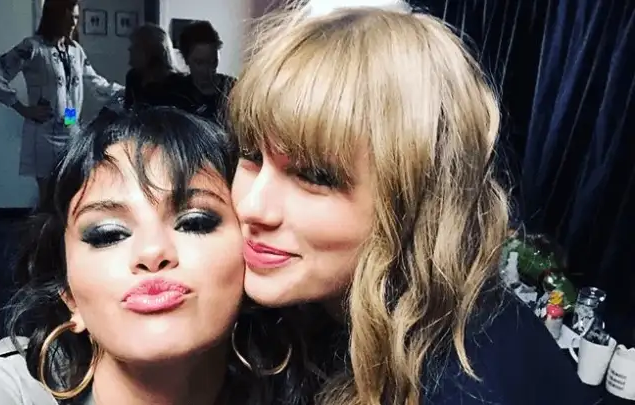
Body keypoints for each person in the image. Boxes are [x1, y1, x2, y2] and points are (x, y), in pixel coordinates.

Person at [228, 1, 598, 404]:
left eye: (315, 176)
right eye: (251, 155)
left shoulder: (462, 387)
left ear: (415, 200)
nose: (252, 207)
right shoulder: (316, 306)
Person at [0, 108, 297, 405]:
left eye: (194, 222)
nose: (152, 252)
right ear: (68, 294)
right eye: (108, 234)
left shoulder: (307, 384)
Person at [0, 0, 123, 202]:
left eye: (76, 17)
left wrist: (125, 91)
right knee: (48, 195)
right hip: (43, 133)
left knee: (69, 193)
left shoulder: (75, 51)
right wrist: (21, 108)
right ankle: (45, 223)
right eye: (68, 17)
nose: (73, 23)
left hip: (71, 130)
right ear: (53, 16)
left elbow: (95, 82)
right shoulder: (33, 47)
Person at [170, 21, 236, 124]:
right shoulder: (177, 93)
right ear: (186, 59)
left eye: (213, 61)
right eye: (199, 63)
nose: (207, 70)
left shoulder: (233, 89)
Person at [123, 23, 180, 109]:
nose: (129, 49)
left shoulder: (176, 84)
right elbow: (127, 110)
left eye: (136, 46)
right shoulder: (133, 77)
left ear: (152, 51)